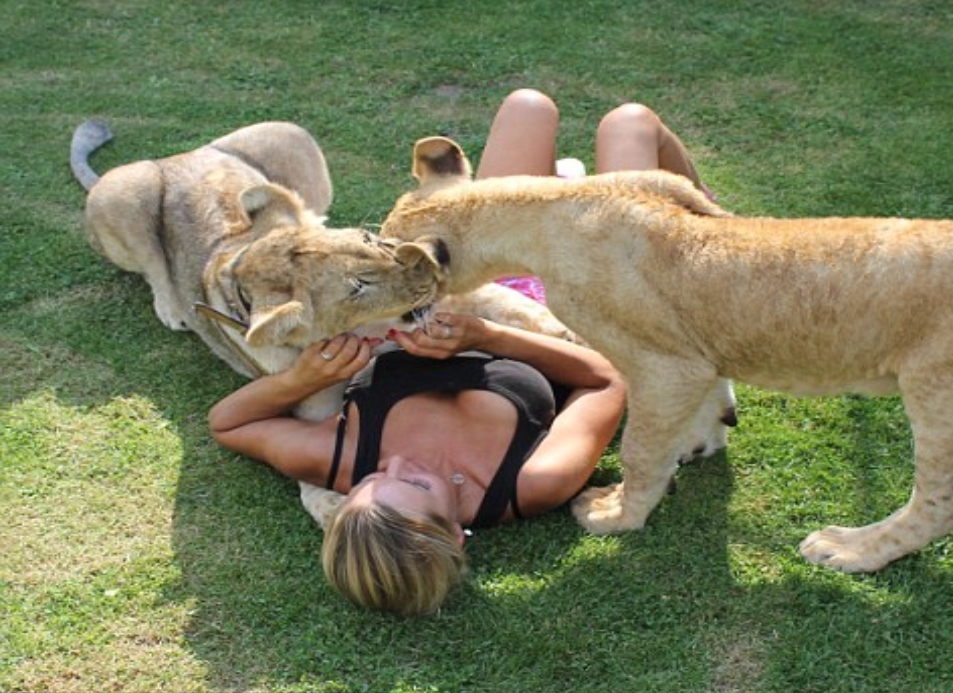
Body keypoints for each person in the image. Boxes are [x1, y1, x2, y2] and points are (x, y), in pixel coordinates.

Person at [207, 89, 713, 615]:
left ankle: (621, 198)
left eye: (374, 480)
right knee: (629, 125)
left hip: (483, 276)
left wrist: (302, 381)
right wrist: (488, 339)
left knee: (527, 107)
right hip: (590, 303)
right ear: (457, 531)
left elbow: (228, 425)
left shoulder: (343, 463)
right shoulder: (534, 482)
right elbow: (607, 380)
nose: (395, 462)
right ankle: (705, 212)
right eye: (416, 482)